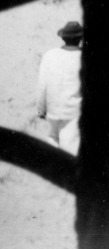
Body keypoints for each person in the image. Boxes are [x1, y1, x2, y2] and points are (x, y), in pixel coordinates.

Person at [37, 21, 83, 154]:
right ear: (80, 38)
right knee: (69, 150)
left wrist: (41, 109)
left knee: (52, 141)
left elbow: (42, 85)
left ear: (63, 37)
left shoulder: (50, 55)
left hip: (52, 109)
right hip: (72, 112)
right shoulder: (83, 58)